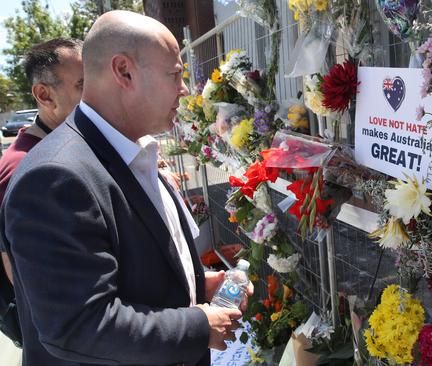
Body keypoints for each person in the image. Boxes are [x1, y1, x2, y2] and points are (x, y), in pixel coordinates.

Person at [0, 10, 251, 366]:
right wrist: (198, 325)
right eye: (174, 74)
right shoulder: (56, 177)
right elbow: (78, 326)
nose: (184, 88)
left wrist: (195, 284)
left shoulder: (130, 151)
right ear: (124, 72)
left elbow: (134, 267)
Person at [0, 38, 83, 348]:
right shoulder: (27, 168)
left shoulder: (55, 147)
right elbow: (21, 274)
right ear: (44, 94)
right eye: (83, 86)